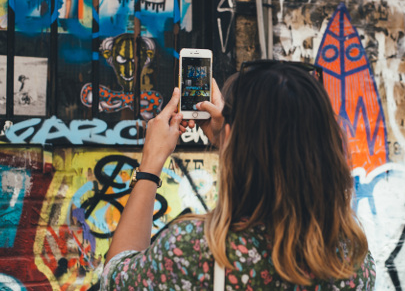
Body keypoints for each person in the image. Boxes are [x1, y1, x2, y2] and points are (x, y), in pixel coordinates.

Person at [101, 62, 376, 290]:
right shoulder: (351, 259)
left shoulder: (194, 250)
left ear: (230, 136)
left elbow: (114, 278)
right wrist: (231, 141)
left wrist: (151, 164)